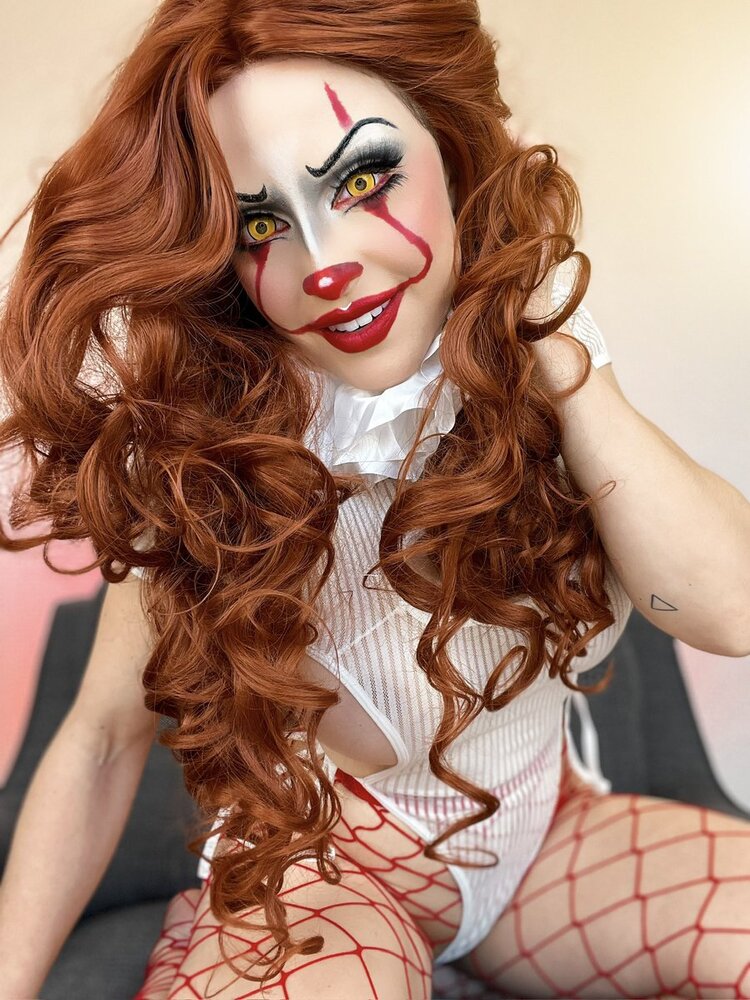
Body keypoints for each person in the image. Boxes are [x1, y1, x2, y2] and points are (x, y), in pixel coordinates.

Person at [1, 1, 749, 997]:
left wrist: (558, 356)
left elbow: (731, 611)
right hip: (318, 871)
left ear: (457, 149)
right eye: (261, 224)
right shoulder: (204, 456)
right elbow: (99, 744)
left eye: (360, 178)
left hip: (543, 852)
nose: (325, 267)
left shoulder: (545, 379)